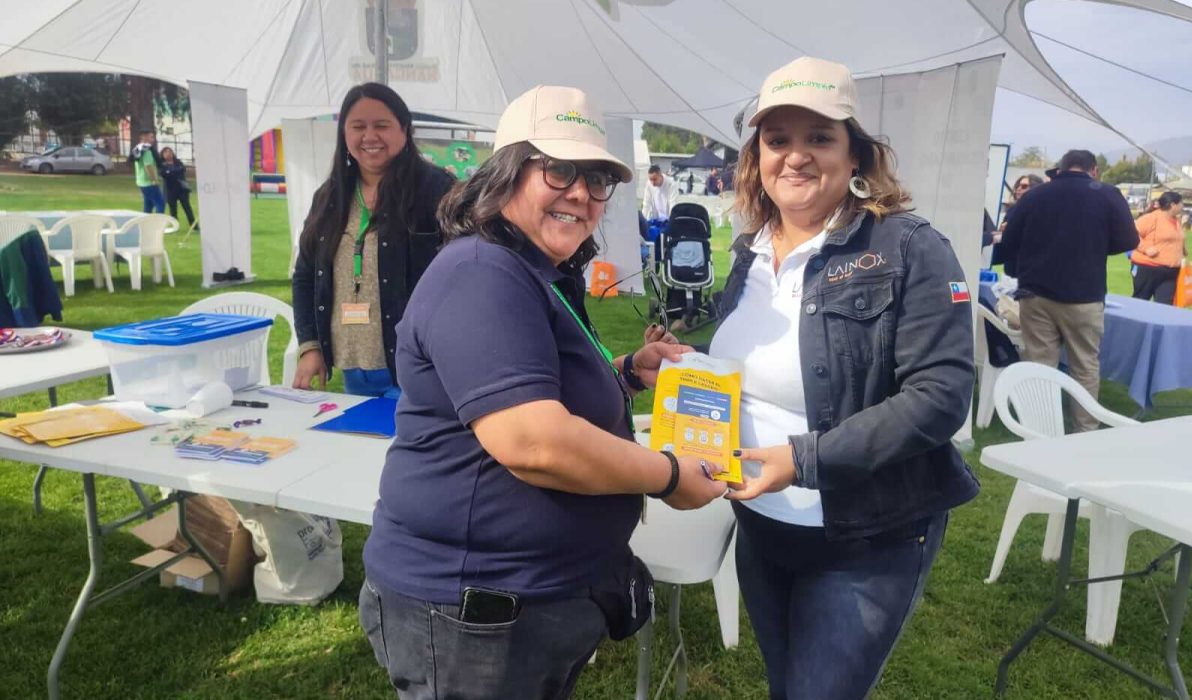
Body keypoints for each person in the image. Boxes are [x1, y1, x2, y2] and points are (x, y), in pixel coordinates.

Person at [358, 84, 729, 700]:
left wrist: (627, 370)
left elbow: (541, 384)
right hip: (472, 611)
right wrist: (668, 476)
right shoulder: (481, 272)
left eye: (596, 179)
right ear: (505, 173)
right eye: (558, 169)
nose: (581, 192)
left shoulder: (535, 269)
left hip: (527, 598)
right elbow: (533, 441)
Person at [705, 55, 980, 700]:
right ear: (756, 158)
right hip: (761, 524)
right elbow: (764, 357)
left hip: (866, 538)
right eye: (778, 139)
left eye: (819, 137)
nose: (795, 156)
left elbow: (940, 397)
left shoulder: (909, 246)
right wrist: (683, 358)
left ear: (855, 153)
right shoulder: (751, 250)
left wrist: (802, 460)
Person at [291, 82, 455, 397]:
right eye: (358, 127)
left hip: (418, 368)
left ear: (404, 130)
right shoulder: (328, 197)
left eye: (381, 125)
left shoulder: (437, 190)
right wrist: (310, 346)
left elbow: (463, 276)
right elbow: (305, 276)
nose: (369, 136)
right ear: (344, 134)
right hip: (354, 368)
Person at [1001, 149, 1139, 431]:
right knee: (1084, 366)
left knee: (1040, 365)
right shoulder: (1107, 194)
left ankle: (1039, 428)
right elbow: (1129, 239)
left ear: (1060, 169)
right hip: (1083, 295)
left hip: (1036, 293)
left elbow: (1010, 238)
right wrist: (1096, 245)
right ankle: (1084, 431)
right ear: (1094, 170)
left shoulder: (1036, 196)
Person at [1131, 191, 1186, 304]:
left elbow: (1174, 238)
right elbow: (1131, 233)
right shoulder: (1151, 218)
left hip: (1171, 270)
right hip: (1148, 267)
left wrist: (1182, 250)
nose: (1183, 206)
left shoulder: (1176, 221)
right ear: (1173, 205)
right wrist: (1145, 248)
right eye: (1181, 203)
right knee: (1140, 301)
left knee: (1165, 305)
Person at [158, 147, 196, 230]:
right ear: (162, 154)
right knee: (173, 209)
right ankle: (175, 226)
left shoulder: (178, 162)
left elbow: (182, 169)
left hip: (181, 188)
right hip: (170, 190)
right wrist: (173, 171)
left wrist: (171, 171)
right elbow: (164, 174)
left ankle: (193, 225)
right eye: (166, 152)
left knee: (187, 207)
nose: (168, 154)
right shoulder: (162, 164)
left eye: (170, 152)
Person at [131, 130, 165, 214]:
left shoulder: (137, 149)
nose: (153, 140)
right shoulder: (147, 151)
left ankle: (145, 221)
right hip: (149, 183)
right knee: (160, 204)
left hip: (141, 182)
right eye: (151, 137)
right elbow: (148, 166)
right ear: (144, 137)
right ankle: (158, 222)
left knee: (148, 206)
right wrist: (153, 180)